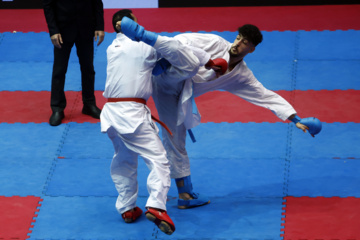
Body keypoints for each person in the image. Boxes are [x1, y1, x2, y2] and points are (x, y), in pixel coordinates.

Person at [149, 21, 320, 208]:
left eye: (244, 42)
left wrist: (295, 119)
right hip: (164, 79)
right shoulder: (215, 43)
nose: (237, 44)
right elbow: (181, 39)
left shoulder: (241, 75)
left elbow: (265, 95)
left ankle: (185, 195)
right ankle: (162, 59)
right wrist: (169, 58)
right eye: (238, 38)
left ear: (252, 49)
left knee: (176, 139)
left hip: (179, 95)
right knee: (190, 58)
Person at [100, 9, 223, 235]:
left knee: (124, 158)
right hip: (132, 113)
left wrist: (162, 64)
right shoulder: (145, 46)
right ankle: (156, 206)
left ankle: (127, 208)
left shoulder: (111, 48)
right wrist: (210, 60)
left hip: (110, 113)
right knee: (159, 160)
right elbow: (181, 50)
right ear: (131, 24)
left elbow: (150, 64)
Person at [43, 0, 105, 126]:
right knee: (59, 70)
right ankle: (57, 108)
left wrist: (99, 26)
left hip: (86, 27)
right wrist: (53, 30)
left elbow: (97, 2)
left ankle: (89, 104)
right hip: (62, 30)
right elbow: (48, 4)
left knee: (88, 68)